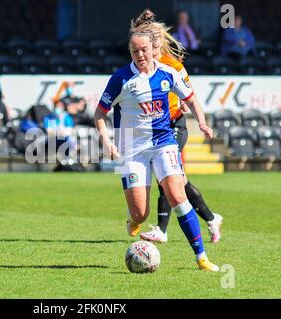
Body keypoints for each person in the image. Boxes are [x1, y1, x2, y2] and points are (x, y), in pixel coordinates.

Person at [94, 10, 219, 271]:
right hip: (132, 147)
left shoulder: (168, 73)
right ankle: (134, 220)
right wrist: (107, 141)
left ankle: (201, 257)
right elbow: (99, 113)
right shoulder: (121, 79)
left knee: (176, 192)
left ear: (154, 49)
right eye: (134, 51)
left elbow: (192, 99)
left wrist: (203, 123)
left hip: (164, 142)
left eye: (143, 50)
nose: (139, 56)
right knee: (141, 213)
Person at [130, 10, 223, 244]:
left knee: (168, 178)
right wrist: (142, 20)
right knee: (179, 181)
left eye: (157, 38)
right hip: (155, 128)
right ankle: (212, 218)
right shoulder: (142, 62)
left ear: (160, 41)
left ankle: (161, 230)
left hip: (174, 125)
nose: (154, 43)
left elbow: (190, 94)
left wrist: (198, 119)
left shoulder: (173, 65)